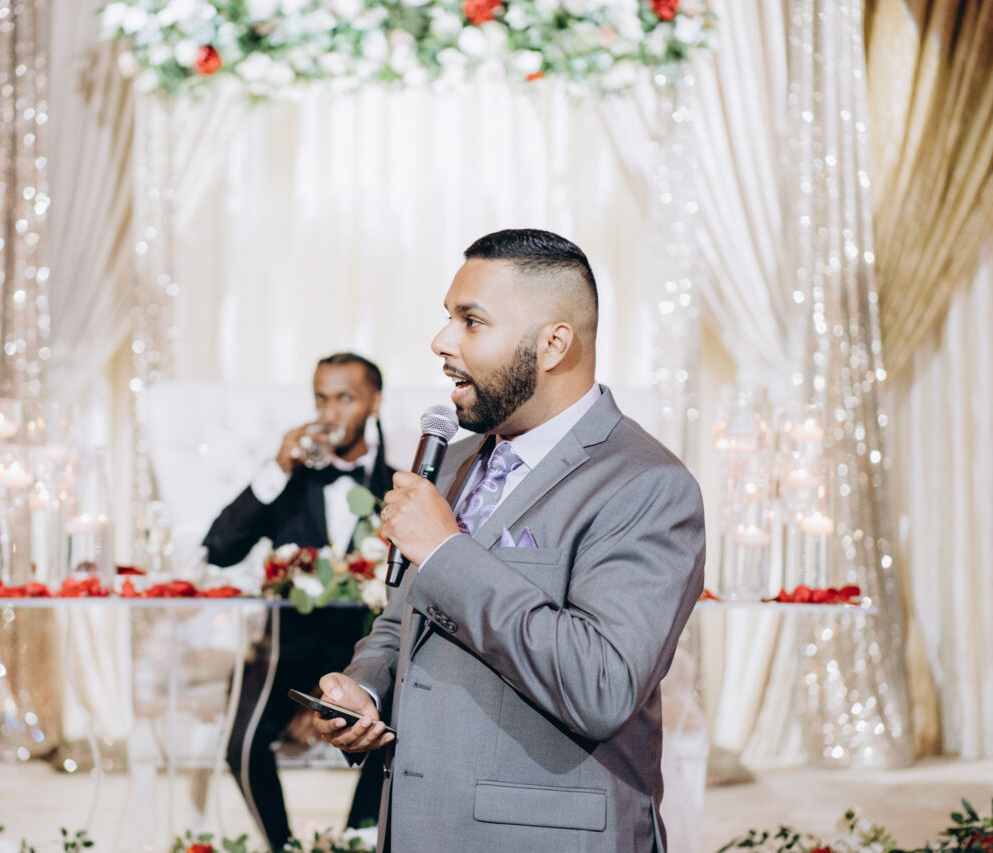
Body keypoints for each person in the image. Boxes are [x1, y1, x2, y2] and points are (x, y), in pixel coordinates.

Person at [313, 229, 706, 852]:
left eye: (471, 321)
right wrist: (366, 687)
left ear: (553, 344)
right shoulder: (453, 460)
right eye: (449, 317)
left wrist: (445, 552)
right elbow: (405, 617)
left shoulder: (648, 484)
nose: (441, 341)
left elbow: (601, 685)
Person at [203, 352, 392, 851]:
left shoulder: (397, 486)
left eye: (345, 399)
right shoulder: (287, 484)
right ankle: (282, 846)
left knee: (395, 734)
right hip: (284, 653)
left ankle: (356, 843)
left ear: (374, 402)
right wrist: (278, 466)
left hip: (367, 657)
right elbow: (219, 549)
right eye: (321, 400)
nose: (330, 414)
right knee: (241, 742)